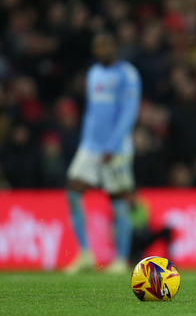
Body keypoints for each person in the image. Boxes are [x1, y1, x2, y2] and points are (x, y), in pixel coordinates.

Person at [64, 32, 142, 274]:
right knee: (73, 191)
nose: (102, 50)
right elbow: (92, 112)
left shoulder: (127, 74)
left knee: (118, 200)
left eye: (106, 45)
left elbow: (129, 112)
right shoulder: (93, 74)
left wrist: (112, 144)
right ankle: (86, 254)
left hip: (116, 149)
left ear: (114, 47)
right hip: (90, 146)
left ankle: (120, 260)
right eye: (98, 47)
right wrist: (86, 141)